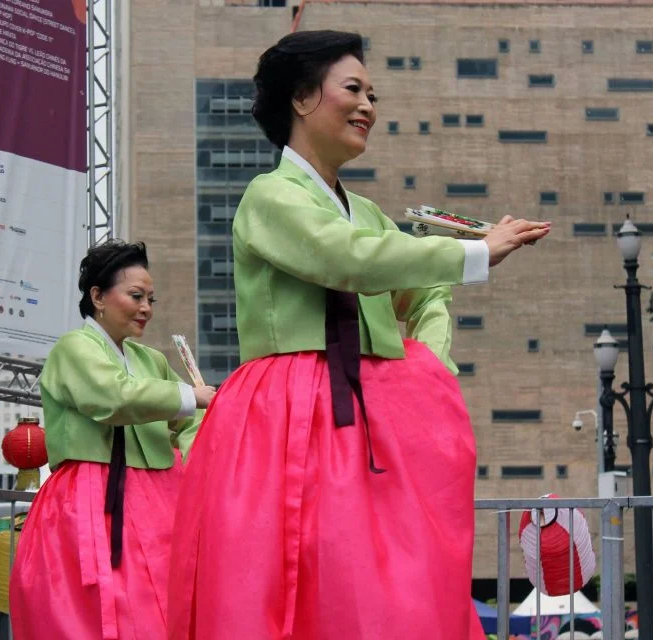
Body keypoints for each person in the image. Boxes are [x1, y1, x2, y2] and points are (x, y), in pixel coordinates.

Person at [167, 30, 550, 639]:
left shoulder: (366, 212)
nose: (368, 105)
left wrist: (424, 367)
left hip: (368, 416)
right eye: (354, 89)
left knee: (386, 587)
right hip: (284, 418)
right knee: (290, 579)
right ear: (301, 98)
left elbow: (424, 292)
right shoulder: (269, 196)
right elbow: (346, 259)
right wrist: (474, 252)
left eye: (373, 94)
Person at [9, 240, 216, 640]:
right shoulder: (73, 348)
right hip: (93, 494)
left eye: (151, 299)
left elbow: (191, 423)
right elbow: (111, 397)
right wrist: (192, 396)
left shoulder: (151, 360)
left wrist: (200, 461)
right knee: (100, 609)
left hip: (161, 495)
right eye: (136, 296)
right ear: (98, 297)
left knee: (169, 602)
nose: (146, 308)